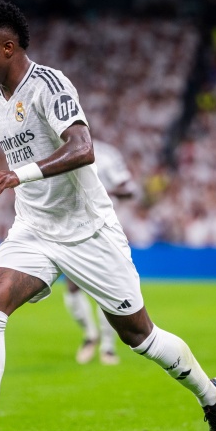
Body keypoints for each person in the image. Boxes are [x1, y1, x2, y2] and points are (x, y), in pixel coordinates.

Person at [0, 0, 216, 431]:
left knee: (139, 336)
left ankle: (211, 396)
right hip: (33, 228)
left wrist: (17, 175)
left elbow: (83, 148)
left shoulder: (50, 85)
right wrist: (21, 182)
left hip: (88, 231)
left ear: (7, 48)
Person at [65, 140, 136, 366]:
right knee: (72, 286)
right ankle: (90, 336)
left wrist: (100, 191)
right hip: (75, 226)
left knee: (107, 287)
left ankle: (108, 347)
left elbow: (129, 190)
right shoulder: (61, 151)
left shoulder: (107, 155)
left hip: (105, 227)